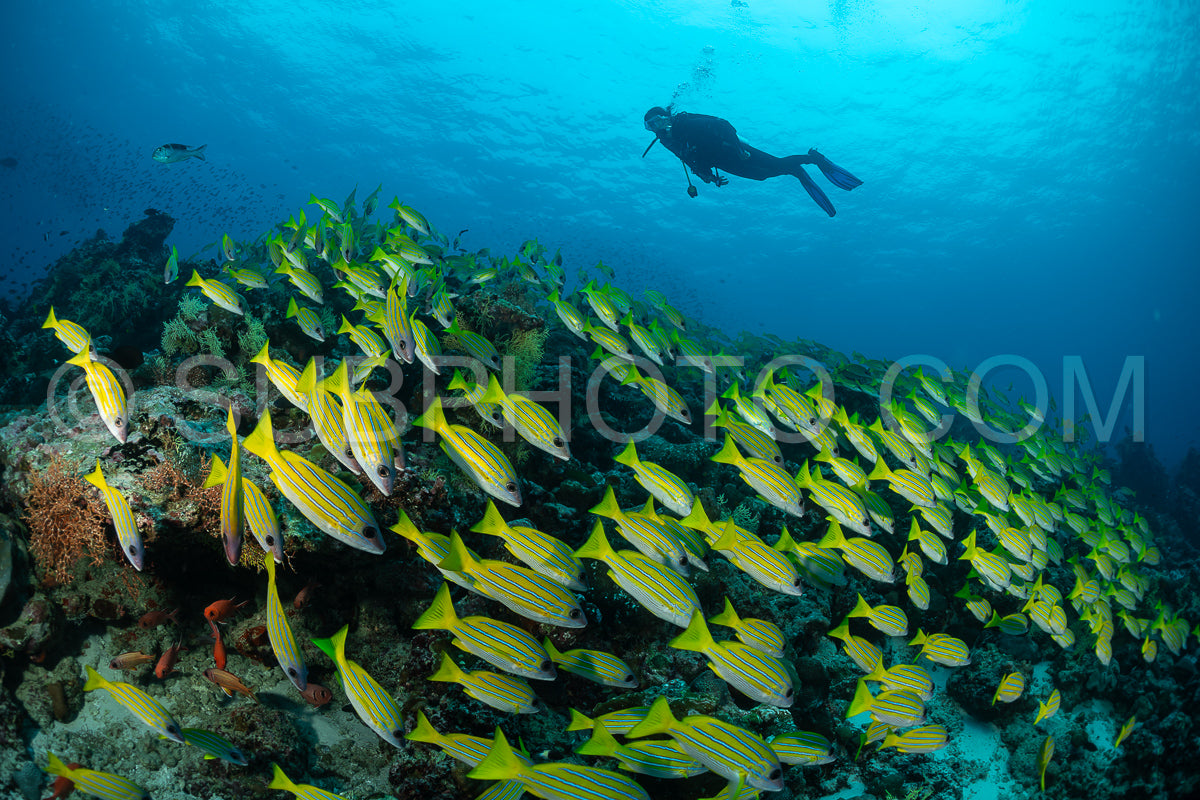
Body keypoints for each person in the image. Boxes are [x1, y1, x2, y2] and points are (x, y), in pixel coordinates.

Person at [642, 106, 862, 216]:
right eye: (650, 127)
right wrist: (709, 176)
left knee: (775, 164)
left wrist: (739, 148)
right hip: (722, 162)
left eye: (656, 122)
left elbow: (723, 125)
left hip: (734, 149)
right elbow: (689, 160)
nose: (656, 129)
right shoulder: (668, 142)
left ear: (666, 118)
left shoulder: (685, 124)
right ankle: (795, 170)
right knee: (762, 175)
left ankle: (813, 158)